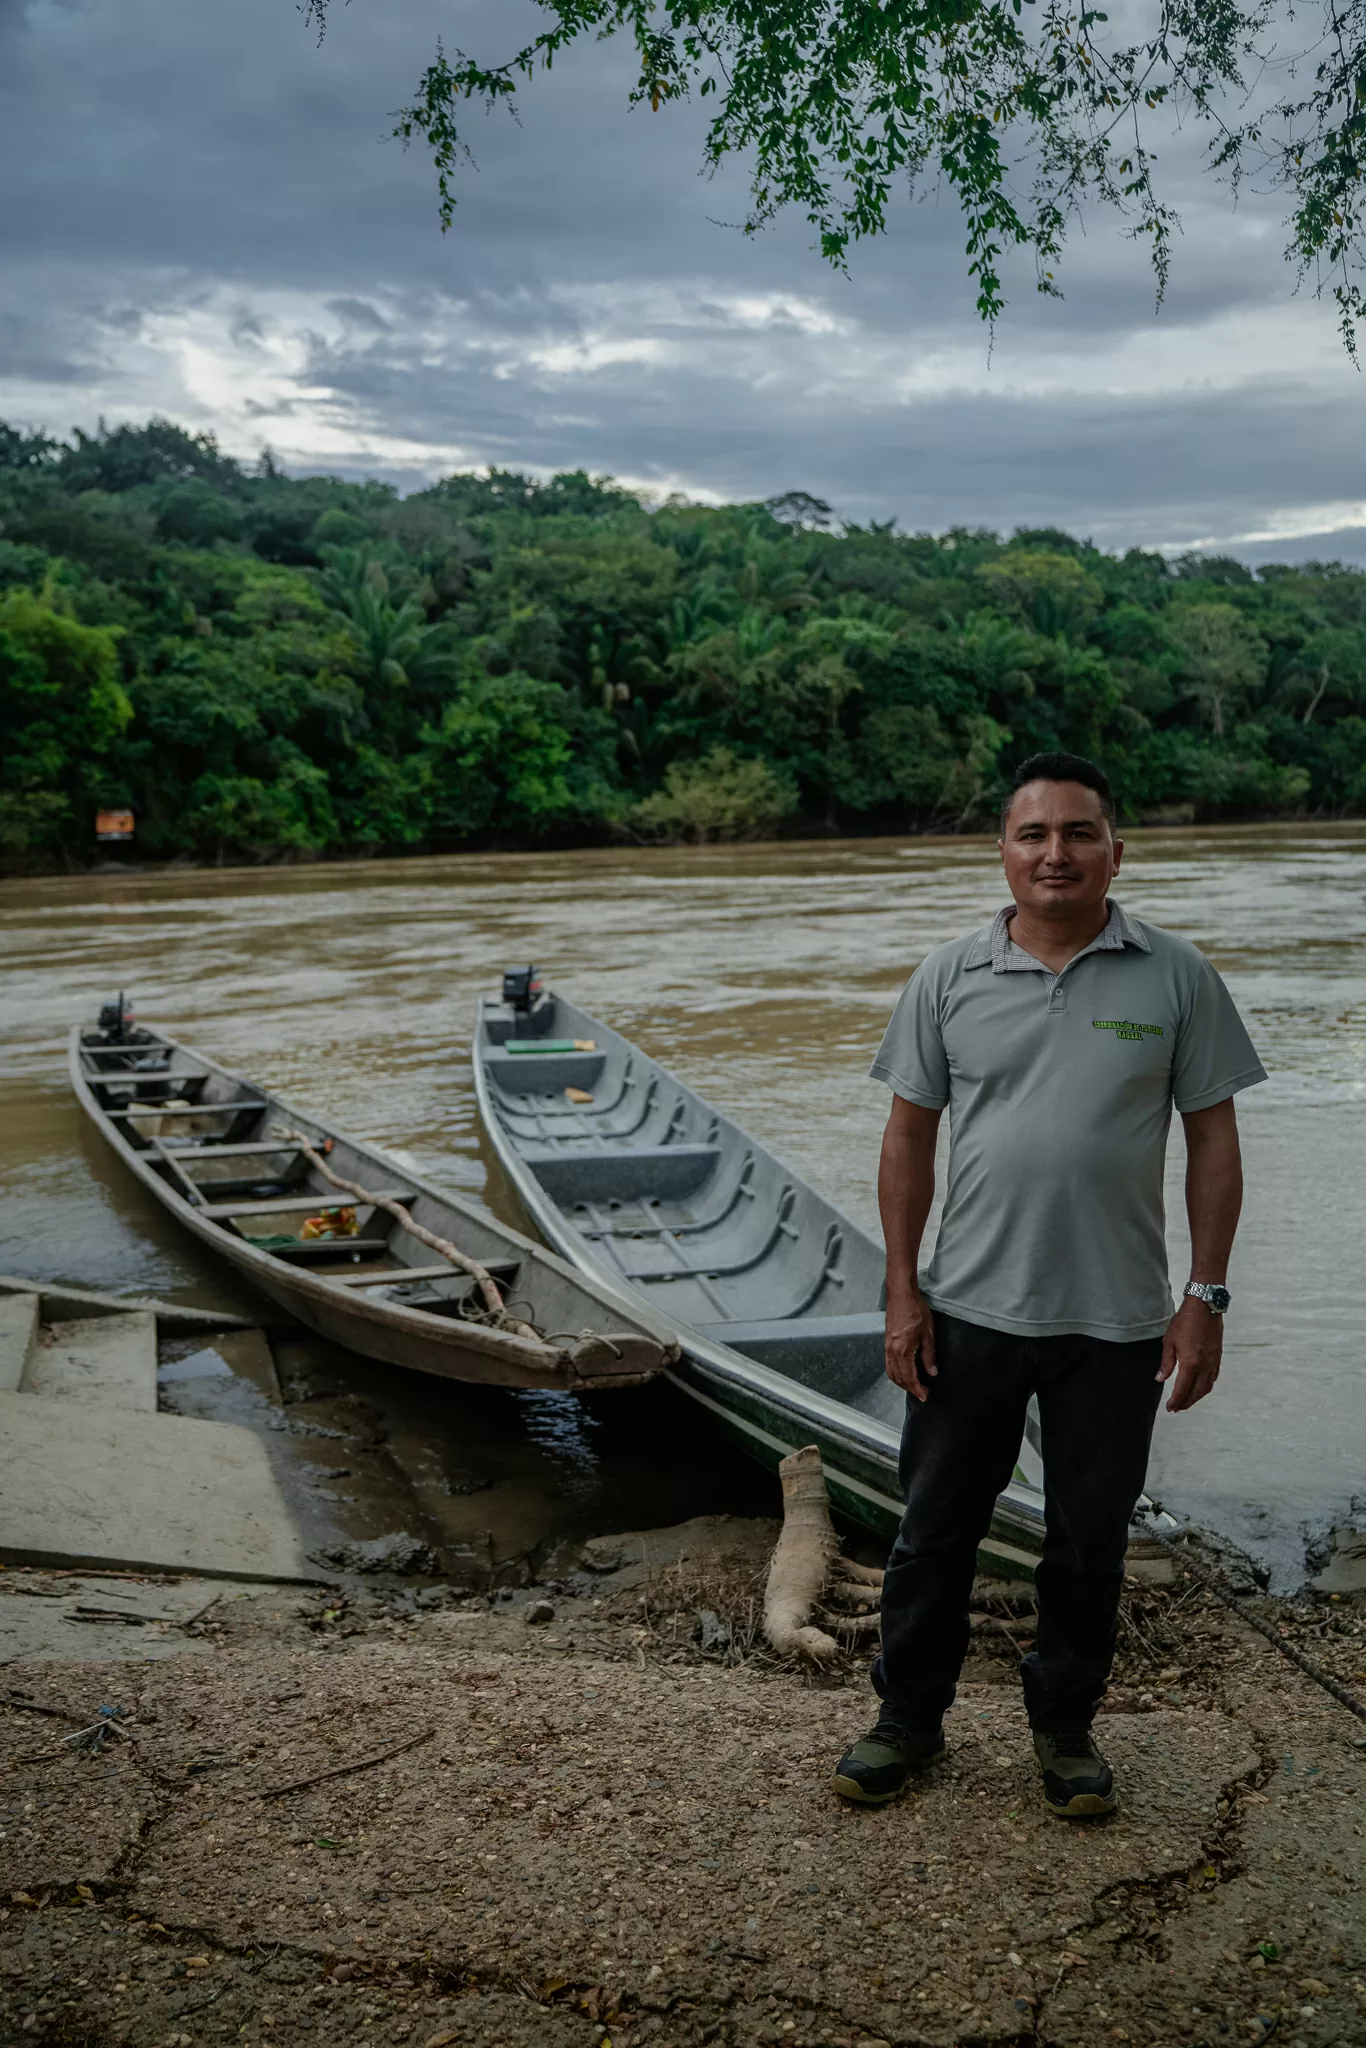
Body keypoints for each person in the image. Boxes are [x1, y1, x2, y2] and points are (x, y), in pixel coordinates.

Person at [832, 751, 1266, 1818]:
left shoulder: (1175, 976)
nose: (1056, 852)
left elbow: (1213, 1140)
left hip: (1116, 1323)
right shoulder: (947, 975)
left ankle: (1065, 1726)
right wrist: (901, 1288)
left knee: (1087, 1538)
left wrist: (1204, 1297)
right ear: (1004, 852)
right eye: (1034, 834)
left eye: (1078, 833)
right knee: (933, 1526)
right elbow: (904, 1139)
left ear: (1116, 851)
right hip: (966, 1311)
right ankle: (907, 1719)